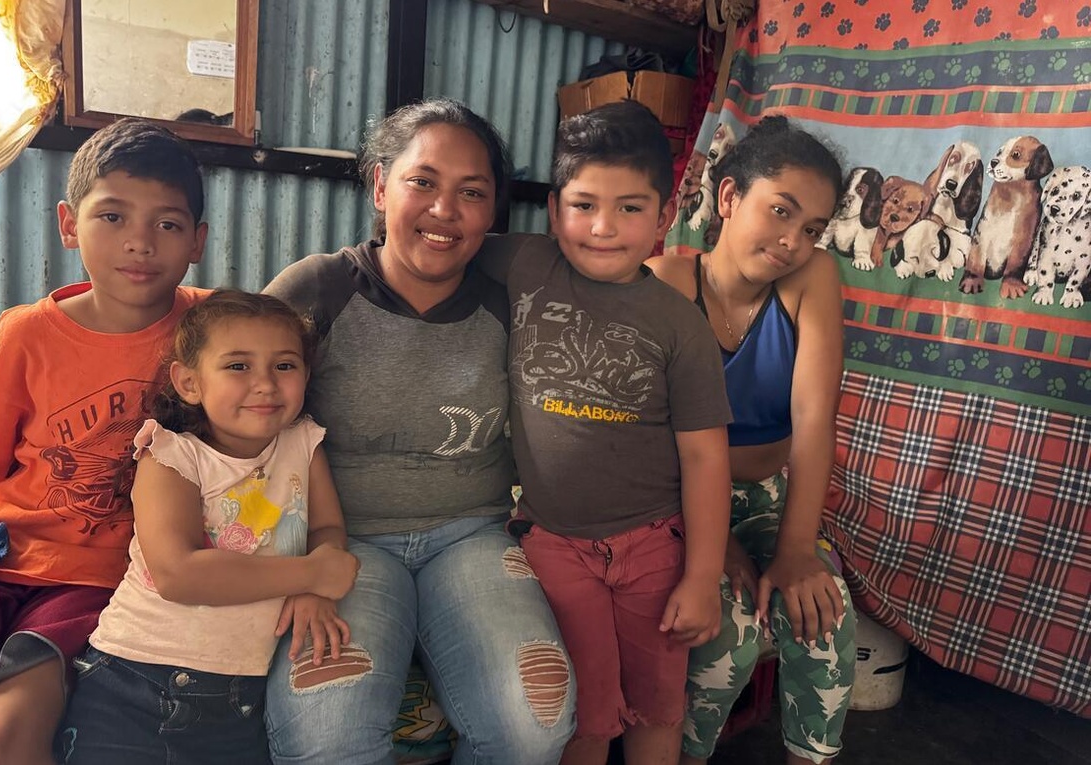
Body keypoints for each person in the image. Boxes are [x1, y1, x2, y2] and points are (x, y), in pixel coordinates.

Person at [262, 98, 575, 765]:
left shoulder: (512, 302)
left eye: (472, 193)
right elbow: (237, 416)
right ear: (380, 186)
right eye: (423, 182)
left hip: (472, 535)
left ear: (492, 213)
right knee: (326, 738)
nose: (444, 209)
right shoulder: (317, 290)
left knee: (535, 721)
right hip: (341, 539)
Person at [0, 118, 209, 765]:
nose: (139, 242)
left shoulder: (213, 331)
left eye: (167, 223)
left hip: (99, 578)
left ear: (198, 241)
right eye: (113, 216)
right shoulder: (24, 334)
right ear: (69, 223)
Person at [474, 100, 733, 765]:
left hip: (653, 546)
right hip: (554, 543)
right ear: (554, 207)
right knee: (581, 713)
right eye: (583, 205)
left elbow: (706, 456)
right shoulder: (523, 264)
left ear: (665, 215)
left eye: (629, 207)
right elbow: (437, 248)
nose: (603, 227)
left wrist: (702, 575)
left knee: (656, 704)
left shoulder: (679, 325)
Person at [59, 290, 360, 765]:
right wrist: (313, 575)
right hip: (135, 682)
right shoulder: (170, 456)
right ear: (189, 382)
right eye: (238, 366)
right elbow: (180, 574)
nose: (264, 384)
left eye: (284, 366)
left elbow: (326, 528)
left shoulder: (303, 441)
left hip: (243, 698)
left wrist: (317, 590)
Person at [648, 114, 858, 765]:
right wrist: (722, 545)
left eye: (813, 228)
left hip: (769, 497)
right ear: (730, 196)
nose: (794, 240)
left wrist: (795, 547)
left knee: (825, 614)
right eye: (781, 211)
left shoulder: (811, 281)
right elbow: (644, 441)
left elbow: (814, 419)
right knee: (727, 634)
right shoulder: (664, 284)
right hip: (672, 502)